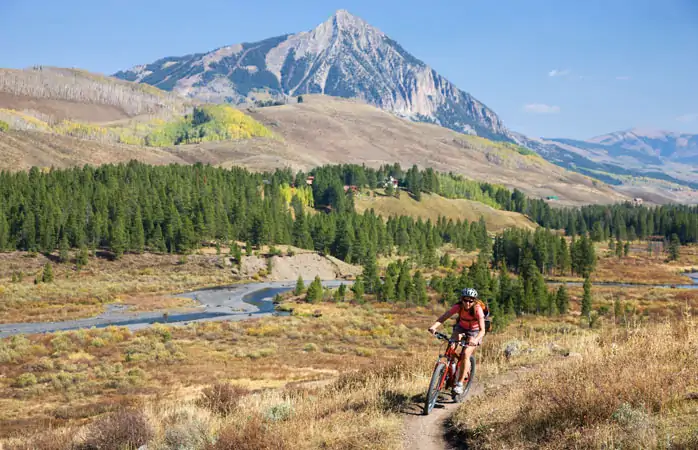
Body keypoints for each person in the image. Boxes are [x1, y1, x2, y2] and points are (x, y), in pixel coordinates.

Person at [428, 287, 486, 395]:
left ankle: (459, 384)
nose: (468, 303)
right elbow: (444, 317)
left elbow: (482, 330)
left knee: (465, 354)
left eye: (470, 300)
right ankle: (452, 366)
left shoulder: (477, 309)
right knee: (451, 345)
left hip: (474, 331)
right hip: (461, 327)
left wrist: (476, 340)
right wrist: (433, 327)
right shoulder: (458, 306)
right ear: (461, 299)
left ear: (474, 301)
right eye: (465, 300)